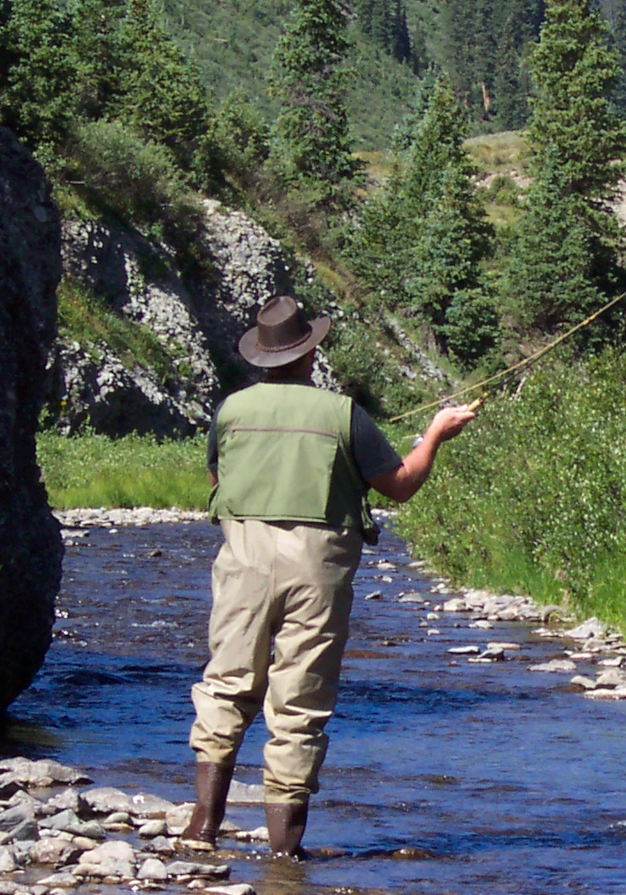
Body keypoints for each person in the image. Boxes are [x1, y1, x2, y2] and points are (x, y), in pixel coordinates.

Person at [178, 294, 477, 857]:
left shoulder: (231, 410)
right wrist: (436, 433)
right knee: (298, 703)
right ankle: (285, 855)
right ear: (308, 354)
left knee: (226, 684)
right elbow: (401, 484)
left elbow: (219, 476)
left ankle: (202, 827)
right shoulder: (343, 414)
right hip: (318, 572)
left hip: (242, 563)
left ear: (262, 358)